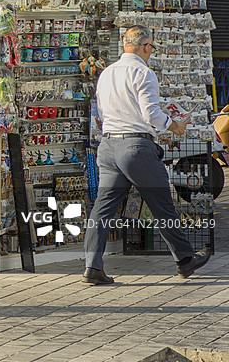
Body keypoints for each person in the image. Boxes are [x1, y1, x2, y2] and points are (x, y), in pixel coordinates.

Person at [83, 25, 210, 285]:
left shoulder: (106, 73)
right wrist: (173, 125)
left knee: (102, 210)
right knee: (162, 205)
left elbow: (101, 113)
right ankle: (185, 260)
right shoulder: (143, 72)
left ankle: (92, 266)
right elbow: (151, 114)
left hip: (108, 147)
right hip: (136, 148)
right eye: (152, 47)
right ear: (146, 46)